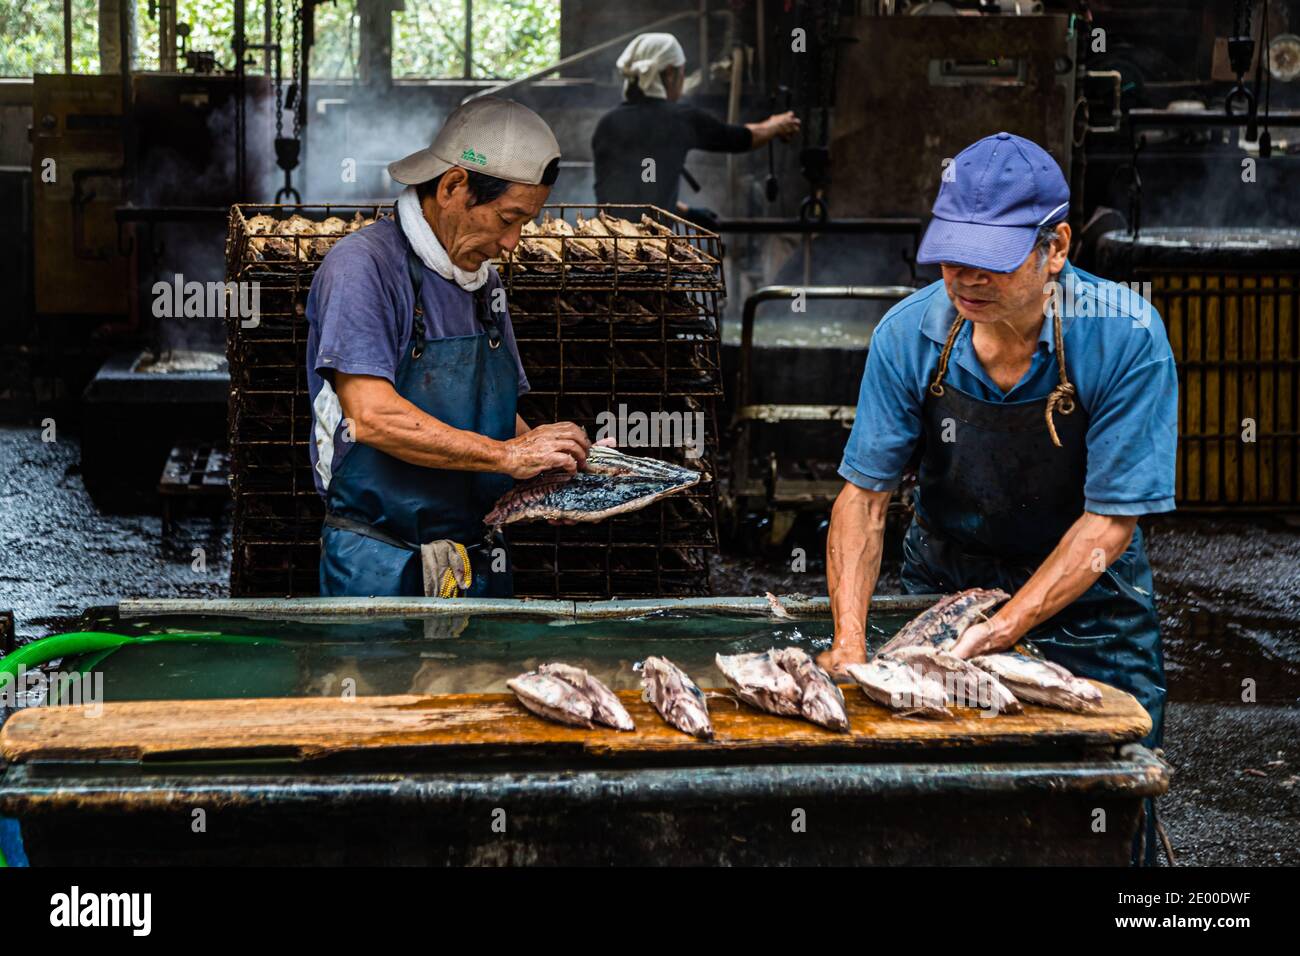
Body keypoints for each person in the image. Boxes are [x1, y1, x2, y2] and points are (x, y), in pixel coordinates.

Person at [820, 132, 1175, 857]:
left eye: (993, 258)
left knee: (1099, 807)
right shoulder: (907, 335)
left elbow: (1109, 523)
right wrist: (850, 640)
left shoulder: (1126, 337)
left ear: (1056, 247)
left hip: (1092, 605)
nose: (966, 278)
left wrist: (1006, 628)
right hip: (944, 586)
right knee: (938, 812)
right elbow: (864, 500)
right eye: (953, 255)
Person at [305, 97, 592, 598]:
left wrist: (549, 467)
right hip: (377, 566)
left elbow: (492, 412)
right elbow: (371, 416)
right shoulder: (363, 267)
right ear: (453, 186)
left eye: (525, 224)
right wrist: (507, 455)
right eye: (507, 218)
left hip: (475, 560)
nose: (512, 243)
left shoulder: (483, 283)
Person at [591, 32, 800, 227]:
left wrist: (687, 212)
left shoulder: (607, 124)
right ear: (670, 74)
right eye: (682, 73)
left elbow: (634, 197)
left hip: (607, 244)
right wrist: (776, 125)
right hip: (648, 248)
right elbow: (738, 138)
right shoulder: (678, 119)